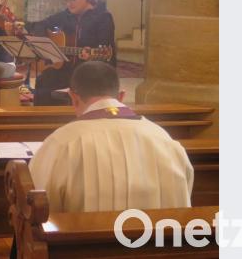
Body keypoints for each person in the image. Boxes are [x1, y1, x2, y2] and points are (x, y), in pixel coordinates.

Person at [30, 61, 193, 212]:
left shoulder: (62, 143)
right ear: (121, 96)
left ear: (74, 98)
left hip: (86, 235)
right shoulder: (164, 139)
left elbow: (38, 206)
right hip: (162, 234)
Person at [25, 0, 116, 106]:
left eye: (72, 0)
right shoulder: (66, 15)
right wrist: (46, 45)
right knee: (43, 81)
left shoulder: (103, 17)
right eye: (66, 1)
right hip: (66, 69)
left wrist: (91, 57)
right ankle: (44, 118)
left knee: (76, 86)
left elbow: (106, 50)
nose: (69, 4)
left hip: (90, 71)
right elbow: (40, 25)